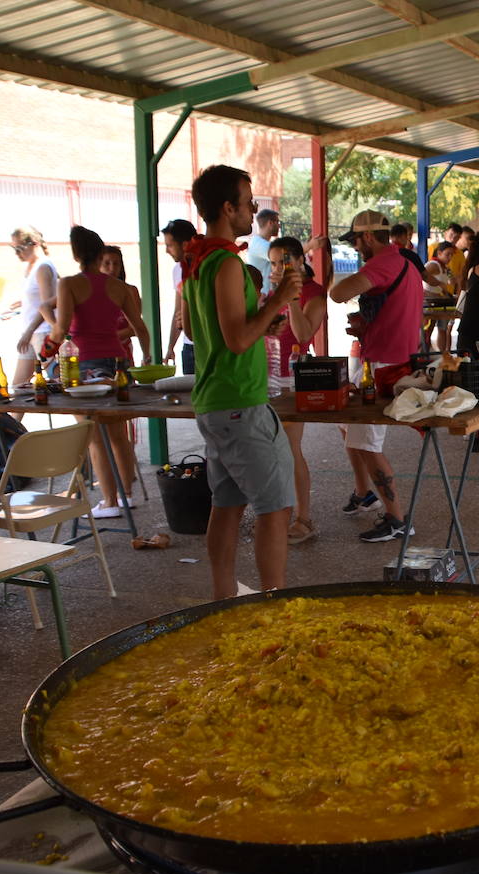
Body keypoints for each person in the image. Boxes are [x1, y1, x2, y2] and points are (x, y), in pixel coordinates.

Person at [180, 165, 298, 598]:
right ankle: (275, 604)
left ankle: (223, 597)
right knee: (276, 507)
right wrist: (277, 303)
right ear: (228, 208)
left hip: (214, 403)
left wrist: (261, 322)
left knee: (227, 505)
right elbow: (235, 339)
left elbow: (197, 331)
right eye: (248, 202)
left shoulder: (198, 261)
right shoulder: (227, 263)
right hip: (239, 403)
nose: (253, 210)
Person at [330, 210, 424, 543]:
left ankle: (397, 518)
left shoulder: (381, 265)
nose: (355, 248)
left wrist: (327, 265)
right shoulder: (405, 261)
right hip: (390, 359)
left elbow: (338, 293)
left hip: (383, 366)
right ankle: (366, 494)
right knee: (353, 433)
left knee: (368, 445)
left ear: (368, 237)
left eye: (356, 241)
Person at [46, 226, 151, 520]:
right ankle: (127, 496)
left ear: (77, 253)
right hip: (118, 364)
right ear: (99, 253)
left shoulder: (68, 284)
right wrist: (147, 356)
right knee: (118, 435)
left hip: (85, 367)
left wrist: (45, 350)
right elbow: (140, 328)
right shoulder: (119, 288)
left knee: (95, 439)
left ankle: (108, 501)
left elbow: (61, 328)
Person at [269, 236, 327, 546]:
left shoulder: (314, 293)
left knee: (290, 449)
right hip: (267, 375)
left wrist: (290, 297)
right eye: (274, 263)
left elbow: (305, 334)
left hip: (294, 376)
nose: (278, 268)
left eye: (283, 262)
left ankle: (304, 519)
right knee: (270, 450)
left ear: (299, 262)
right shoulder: (271, 290)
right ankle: (278, 513)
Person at [9, 226, 58, 399]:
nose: (17, 253)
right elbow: (39, 298)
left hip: (42, 333)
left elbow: (47, 304)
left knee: (60, 384)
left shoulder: (43, 267)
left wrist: (29, 331)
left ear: (35, 244)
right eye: (14, 249)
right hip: (32, 333)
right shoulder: (32, 267)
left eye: (19, 248)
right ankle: (11, 426)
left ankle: (87, 425)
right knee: (19, 389)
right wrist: (23, 303)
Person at [162, 219, 199, 373]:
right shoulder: (177, 270)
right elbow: (178, 311)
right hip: (189, 347)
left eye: (169, 245)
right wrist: (171, 346)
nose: (166, 251)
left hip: (209, 346)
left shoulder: (207, 266)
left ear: (185, 244)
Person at [245, 208, 280, 295]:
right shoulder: (258, 244)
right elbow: (283, 255)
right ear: (270, 223)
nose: (279, 226)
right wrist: (309, 246)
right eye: (277, 222)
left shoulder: (260, 243)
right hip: (260, 297)